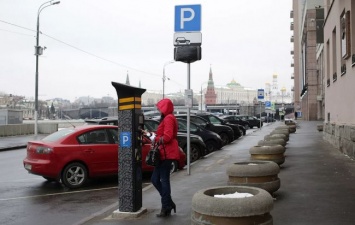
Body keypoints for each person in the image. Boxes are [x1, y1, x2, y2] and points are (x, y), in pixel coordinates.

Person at [151, 98, 180, 217]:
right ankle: (168, 202)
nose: (158, 110)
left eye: (160, 108)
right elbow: (164, 134)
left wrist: (155, 138)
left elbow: (167, 137)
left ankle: (166, 206)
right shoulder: (168, 118)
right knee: (155, 179)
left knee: (164, 180)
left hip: (166, 154)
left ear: (165, 108)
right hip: (164, 153)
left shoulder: (168, 118)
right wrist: (152, 135)